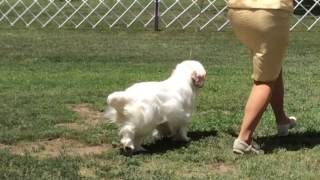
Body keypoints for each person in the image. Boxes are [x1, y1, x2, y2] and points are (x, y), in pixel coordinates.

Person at [227, 0, 297, 154]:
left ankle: (282, 120)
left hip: (238, 11)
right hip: (269, 11)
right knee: (264, 81)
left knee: (271, 65)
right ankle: (244, 140)